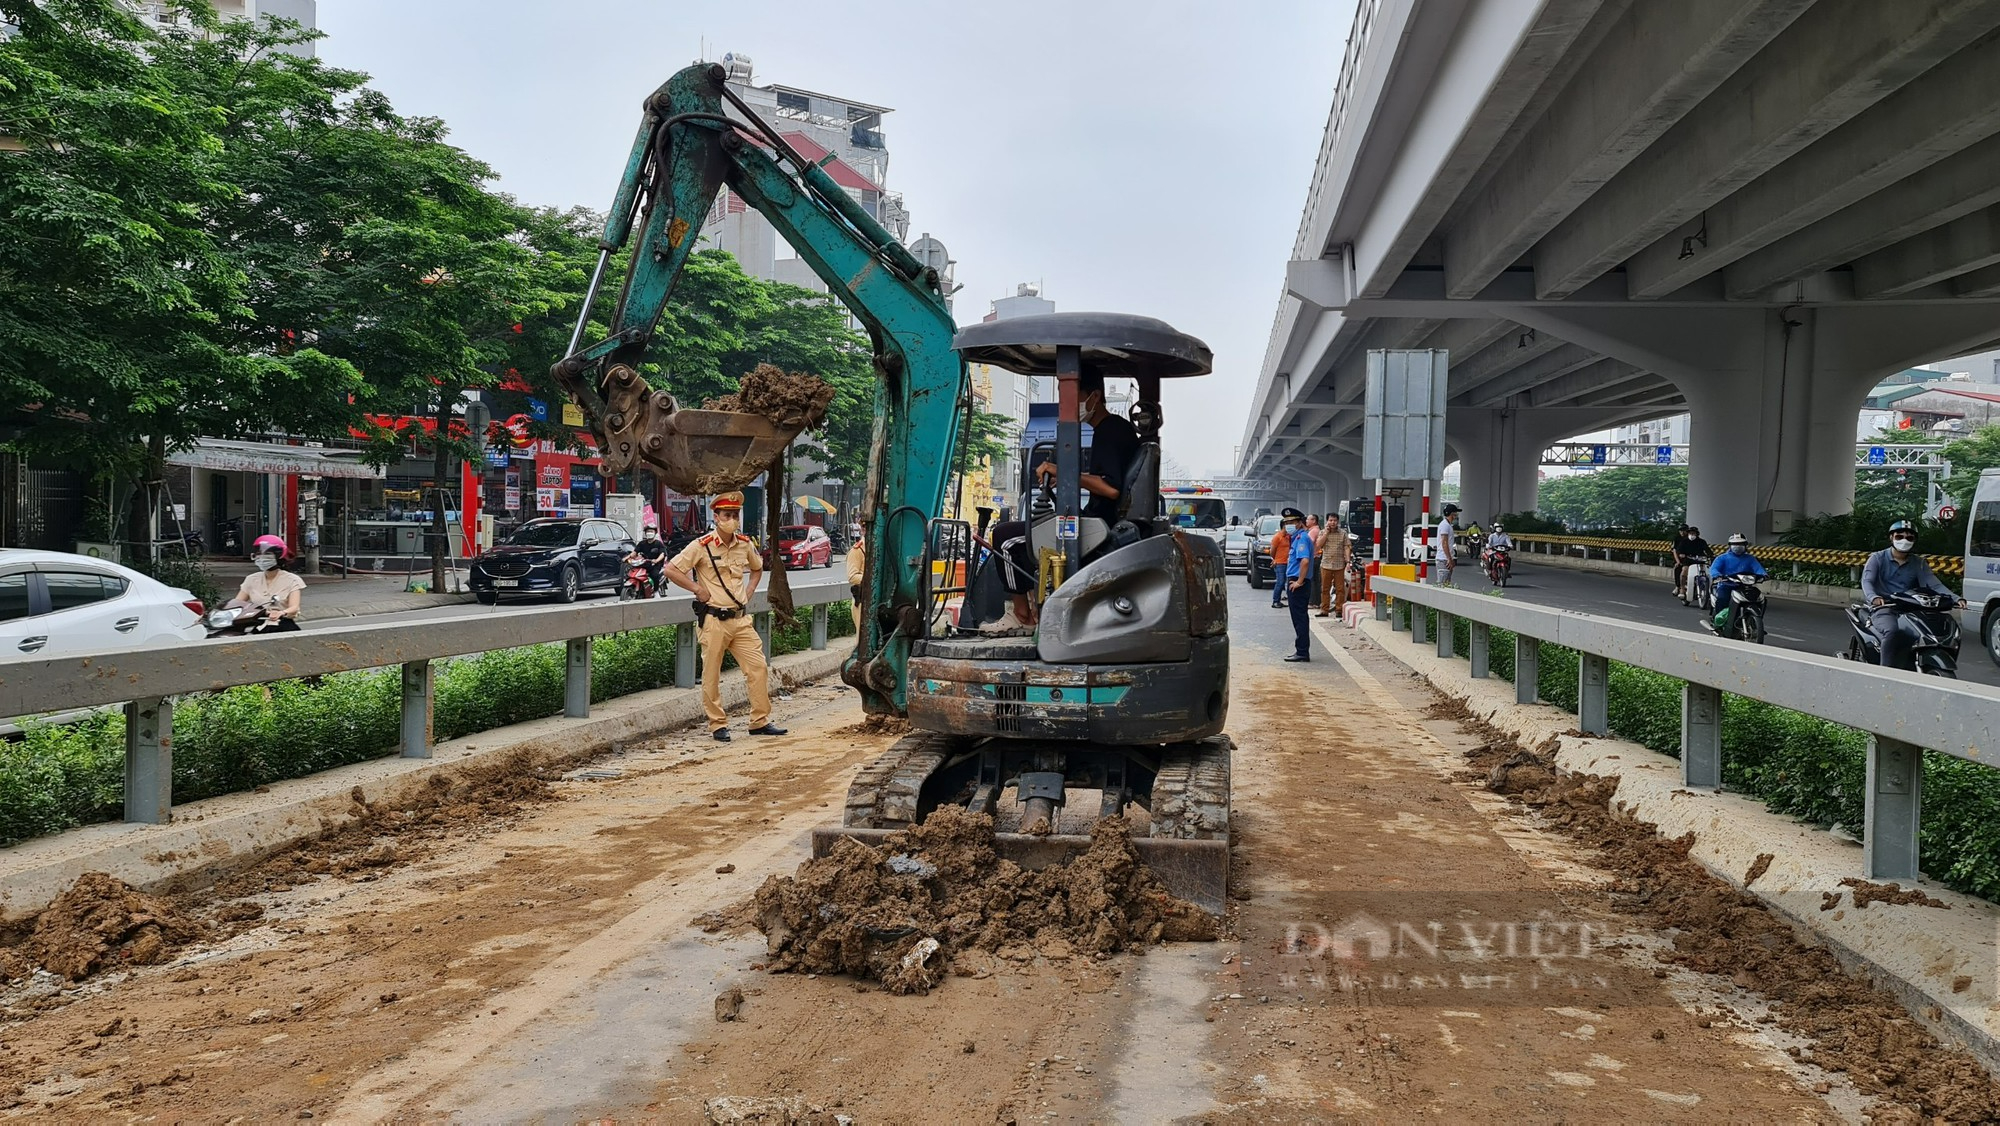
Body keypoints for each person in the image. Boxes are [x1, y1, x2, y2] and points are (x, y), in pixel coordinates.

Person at [665, 492, 784, 742]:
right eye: (727, 515)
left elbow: (757, 567)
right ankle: (717, 724)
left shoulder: (744, 544)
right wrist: (697, 589)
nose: (732, 519)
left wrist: (749, 591)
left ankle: (759, 721)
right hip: (713, 620)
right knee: (711, 674)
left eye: (736, 515)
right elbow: (671, 569)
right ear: (716, 517)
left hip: (741, 620)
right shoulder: (702, 545)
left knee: (758, 667)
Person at [1032, 370, 1141, 525]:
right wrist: (1067, 476)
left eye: (1071, 397)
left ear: (1095, 396)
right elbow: (1105, 477)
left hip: (1103, 527)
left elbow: (1111, 489)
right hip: (1100, 523)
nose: (1065, 405)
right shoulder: (1114, 427)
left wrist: (1064, 473)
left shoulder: (1110, 431)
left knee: (1004, 532)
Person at [1861, 519, 1966, 670]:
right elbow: (1867, 582)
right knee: (1892, 631)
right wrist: (1874, 598)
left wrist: (1956, 599)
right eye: (1899, 536)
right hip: (1886, 607)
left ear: (1914, 541)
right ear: (1891, 538)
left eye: (1909, 538)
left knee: (1935, 629)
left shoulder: (1919, 563)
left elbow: (1934, 584)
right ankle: (1884, 672)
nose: (1904, 540)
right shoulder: (1877, 558)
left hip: (1911, 607)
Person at [226, 534, 305, 631]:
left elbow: (294, 607)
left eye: (267, 554)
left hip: (282, 624)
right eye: (258, 554)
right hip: (258, 623)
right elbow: (237, 604)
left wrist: (281, 613)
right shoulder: (251, 579)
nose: (262, 557)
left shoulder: (292, 579)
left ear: (278, 555)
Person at [1705, 533, 1768, 635]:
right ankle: (1718, 623)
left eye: (1741, 544)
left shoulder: (1750, 558)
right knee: (1722, 599)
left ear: (1745, 545)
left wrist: (1764, 575)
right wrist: (1718, 575)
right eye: (1735, 544)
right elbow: (1714, 569)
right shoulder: (1722, 558)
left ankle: (1755, 623)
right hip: (1726, 585)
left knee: (1761, 599)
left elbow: (1758, 569)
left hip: (1745, 585)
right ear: (1730, 545)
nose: (1738, 546)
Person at [1280, 508, 1316, 661]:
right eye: (1286, 522)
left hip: (1298, 581)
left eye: (1292, 522)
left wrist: (1299, 582)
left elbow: (1305, 561)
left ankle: (1302, 652)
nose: (1288, 525)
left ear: (1300, 523)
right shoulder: (1296, 538)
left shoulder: (1301, 538)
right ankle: (1301, 650)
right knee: (1299, 617)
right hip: (1296, 579)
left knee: (1299, 617)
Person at [1317, 511, 1352, 616]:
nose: (1333, 523)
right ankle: (1324, 609)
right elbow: (1319, 544)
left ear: (1338, 522)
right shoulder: (1322, 532)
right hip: (1326, 564)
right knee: (1325, 588)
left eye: (1335, 520)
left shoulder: (1343, 533)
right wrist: (1327, 533)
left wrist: (1348, 562)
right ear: (1327, 521)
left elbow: (1347, 547)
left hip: (1339, 564)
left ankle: (1339, 610)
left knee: (1340, 588)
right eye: (1330, 520)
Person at [627, 523, 670, 596]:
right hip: (644, 563)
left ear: (655, 533)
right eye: (648, 531)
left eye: (651, 531)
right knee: (633, 573)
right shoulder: (642, 543)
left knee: (654, 575)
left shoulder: (658, 544)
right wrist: (627, 558)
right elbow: (634, 553)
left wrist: (656, 560)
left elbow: (662, 554)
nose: (649, 533)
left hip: (655, 565)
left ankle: (656, 592)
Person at [1671, 524, 1710, 600]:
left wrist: (1711, 555)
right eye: (1690, 533)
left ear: (1697, 534)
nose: (1692, 535)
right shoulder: (1684, 541)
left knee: (1707, 572)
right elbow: (1678, 551)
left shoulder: (1702, 542)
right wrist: (1681, 555)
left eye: (1693, 533)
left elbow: (1708, 550)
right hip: (1688, 561)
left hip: (1699, 561)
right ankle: (1682, 589)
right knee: (1684, 570)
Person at [1266, 516, 1292, 608]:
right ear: (1284, 526)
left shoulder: (1289, 536)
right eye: (1288, 524)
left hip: (1289, 563)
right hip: (1280, 563)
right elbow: (1272, 551)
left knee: (1287, 582)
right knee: (1280, 582)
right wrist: (1276, 559)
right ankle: (1275, 601)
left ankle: (1280, 600)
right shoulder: (1277, 537)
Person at [845, 525, 867, 634]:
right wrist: (870, 579)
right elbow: (852, 576)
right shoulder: (858, 550)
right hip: (862, 599)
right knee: (862, 636)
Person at [1436, 504, 1459, 584]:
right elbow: (1444, 543)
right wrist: (1449, 558)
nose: (1456, 515)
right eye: (1455, 513)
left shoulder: (1448, 525)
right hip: (1443, 559)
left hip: (1446, 558)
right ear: (1452, 514)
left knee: (1446, 583)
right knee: (1442, 584)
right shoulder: (1445, 525)